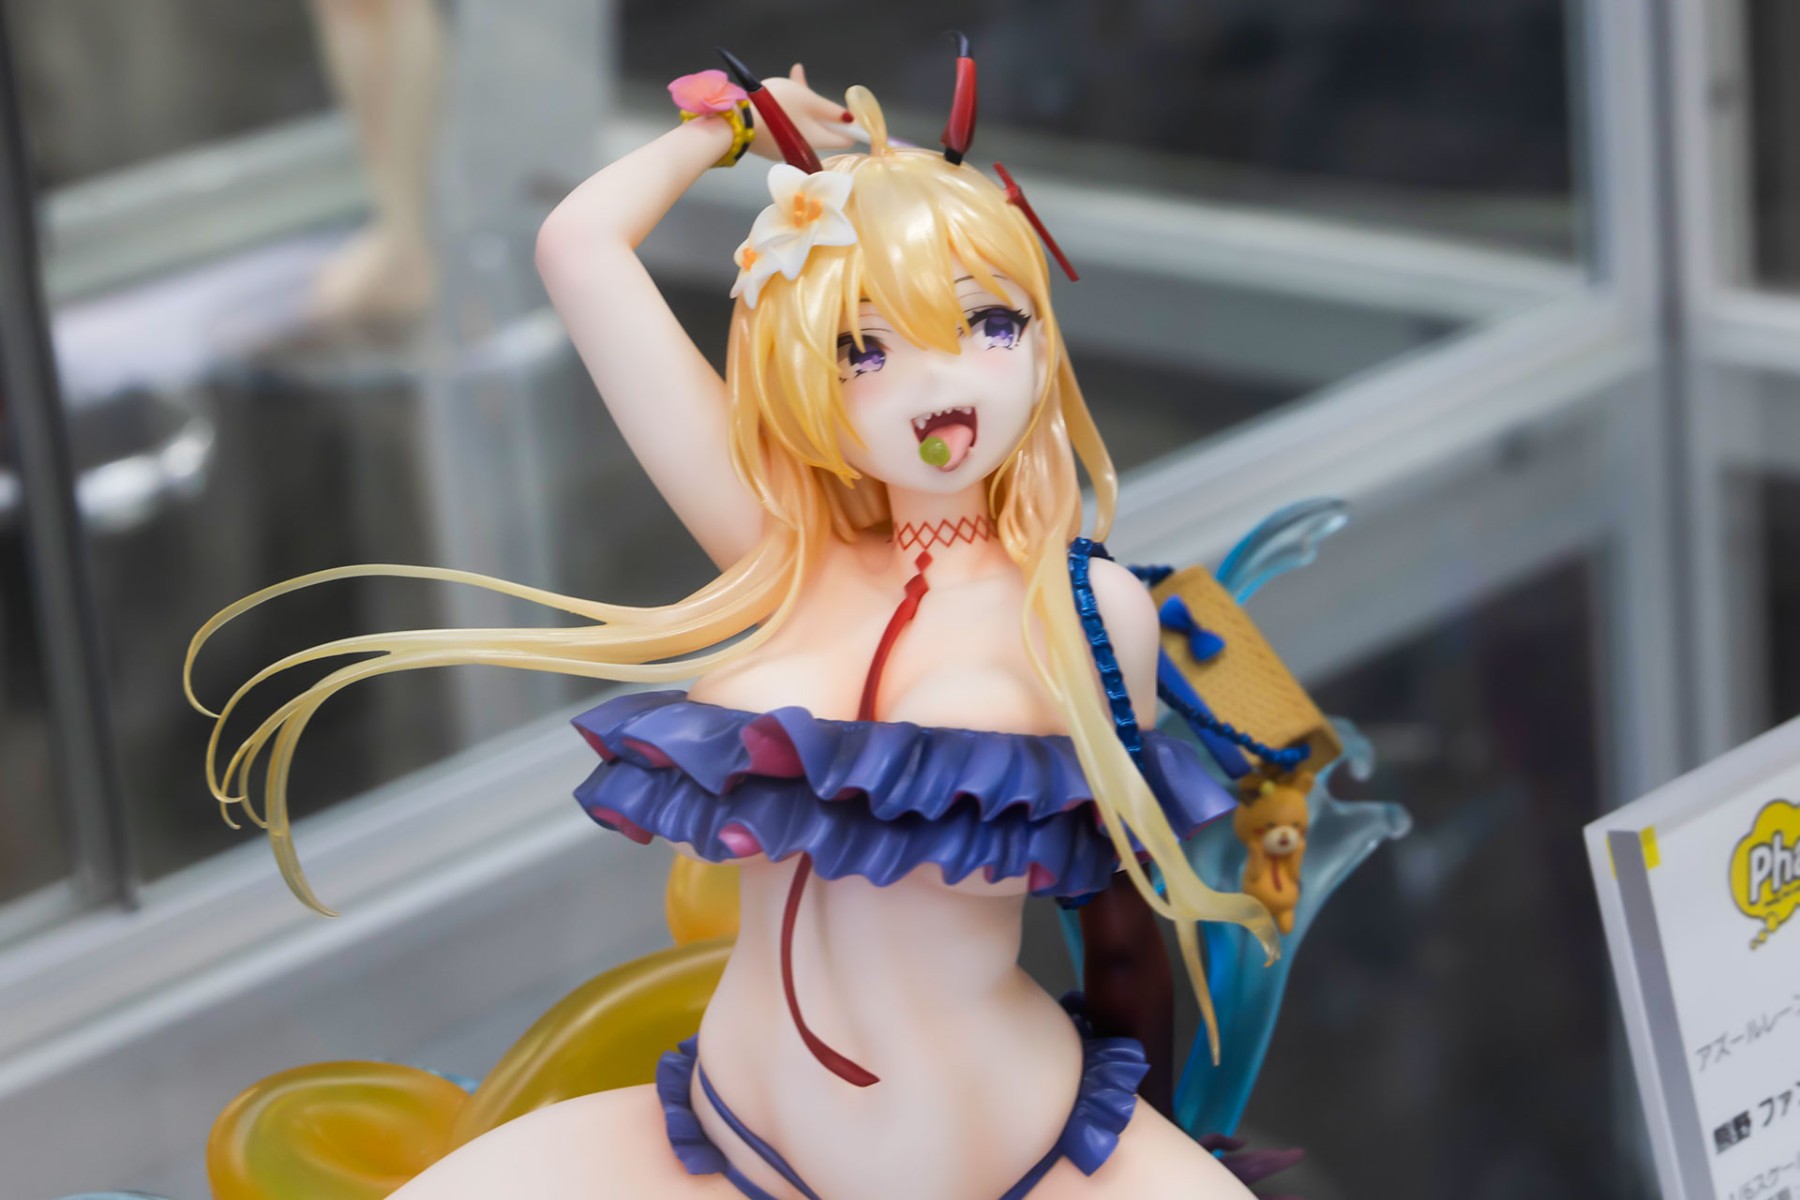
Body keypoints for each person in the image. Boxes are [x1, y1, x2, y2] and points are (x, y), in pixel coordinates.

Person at [189, 45, 1283, 1200]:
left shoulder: (1092, 608)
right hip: (731, 1132)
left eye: (989, 325)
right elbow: (578, 247)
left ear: (1043, 339)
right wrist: (732, 128)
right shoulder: (782, 553)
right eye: (864, 349)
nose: (940, 384)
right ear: (800, 375)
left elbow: (1119, 922)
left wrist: (1151, 1130)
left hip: (995, 1151)